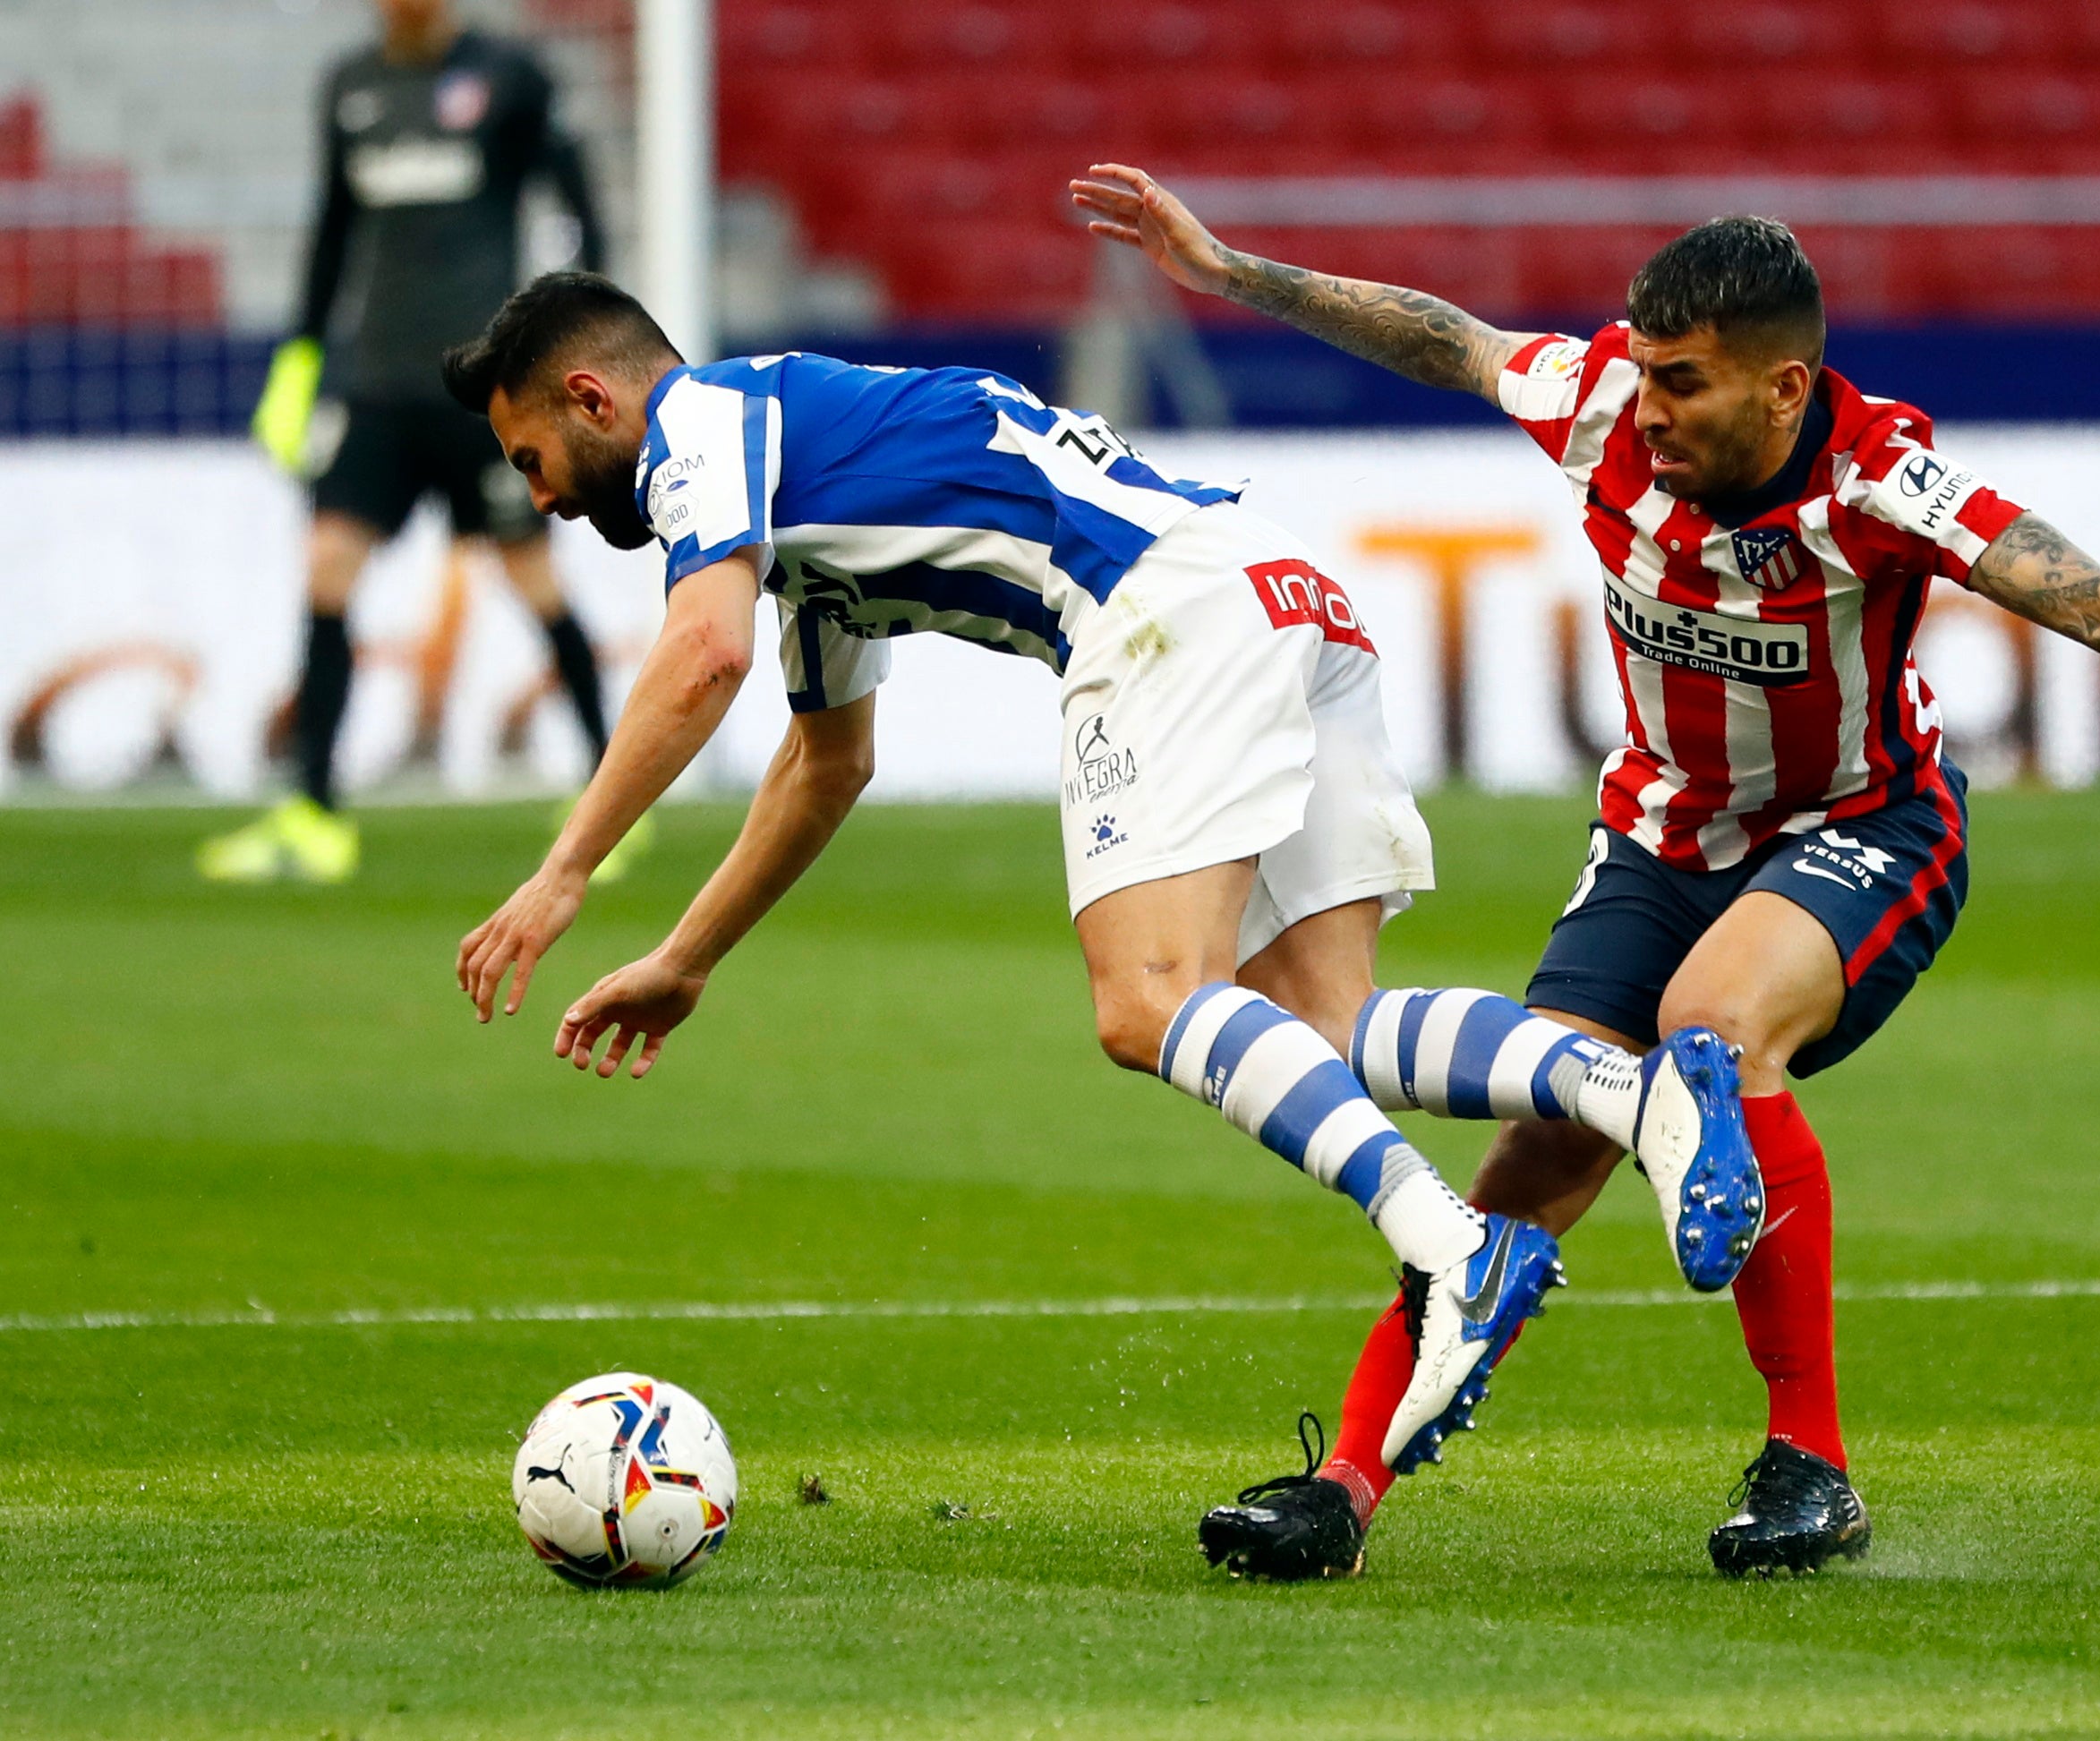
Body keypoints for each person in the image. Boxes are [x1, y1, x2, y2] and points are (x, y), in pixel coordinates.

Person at [1069, 163, 2100, 1581]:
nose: (1647, 409)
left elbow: (2071, 586)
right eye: (1645, 373)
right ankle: (1343, 1487)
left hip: (1864, 825)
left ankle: (1809, 1464)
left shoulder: (1878, 474)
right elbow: (1444, 336)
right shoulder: (1596, 410)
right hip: (1656, 839)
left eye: (1686, 384)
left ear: (1784, 391)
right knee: (1538, 1144)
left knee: (1712, 1026)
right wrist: (1229, 273)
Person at [440, 272, 1781, 1474]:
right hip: (1272, 584)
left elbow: (701, 654)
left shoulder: (704, 432)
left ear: (592, 395)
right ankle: (1644, 1090)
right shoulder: (807, 487)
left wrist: (565, 872)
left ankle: (1450, 1245)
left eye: (535, 457)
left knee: (1145, 1002)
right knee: (1322, 1026)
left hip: (1156, 613)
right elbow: (822, 765)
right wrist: (685, 956)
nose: (541, 494)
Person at [200, 0, 625, 884]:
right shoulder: (353, 86)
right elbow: (333, 228)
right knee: (325, 570)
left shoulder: (510, 77)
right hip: (379, 387)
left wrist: (571, 337)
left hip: (483, 394)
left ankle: (608, 797)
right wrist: (301, 356)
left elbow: (580, 203)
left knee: (533, 580)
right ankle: (314, 811)